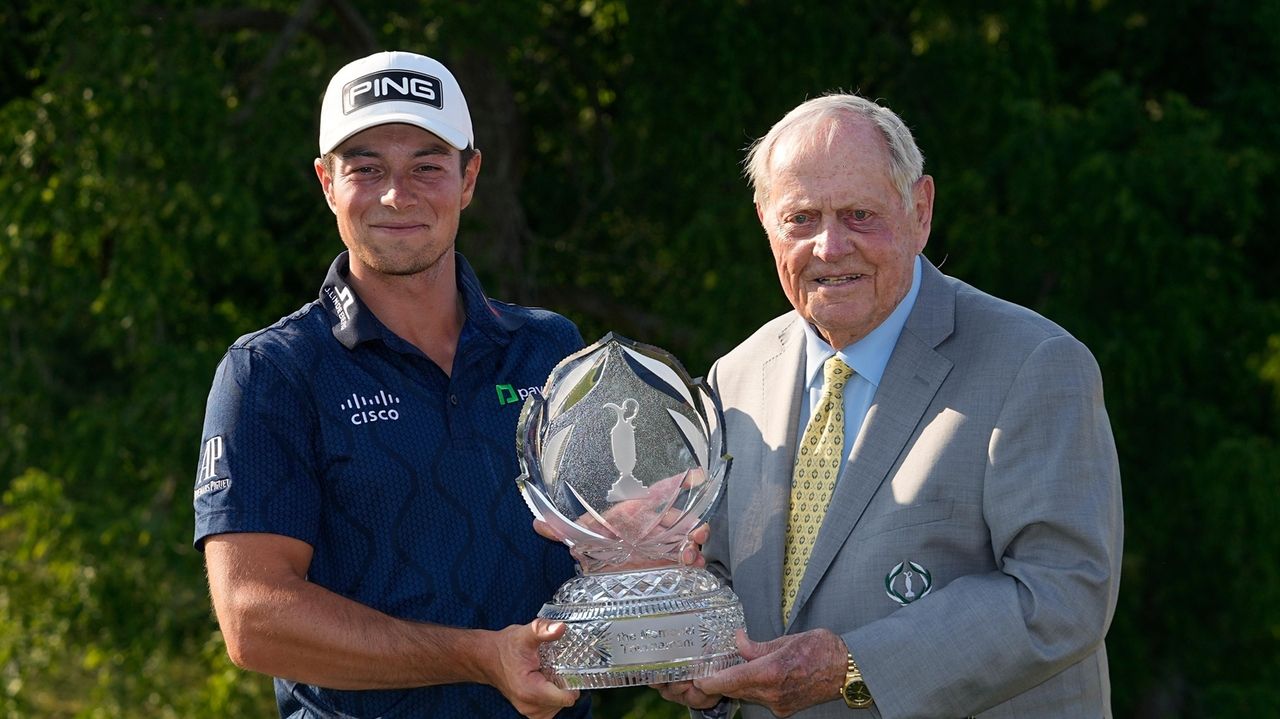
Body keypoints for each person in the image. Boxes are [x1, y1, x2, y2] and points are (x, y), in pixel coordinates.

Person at [659, 94, 1123, 718]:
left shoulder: (1034, 363)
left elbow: (1063, 593)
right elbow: (718, 574)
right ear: (765, 221)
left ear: (920, 210)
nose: (829, 246)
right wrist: (690, 653)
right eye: (801, 218)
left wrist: (852, 666)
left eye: (858, 214)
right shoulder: (734, 377)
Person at [192, 51, 589, 719]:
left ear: (469, 177)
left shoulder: (548, 348)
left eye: (427, 166)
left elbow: (603, 543)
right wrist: (477, 655)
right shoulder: (272, 371)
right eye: (366, 168)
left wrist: (653, 563)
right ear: (326, 182)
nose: (396, 196)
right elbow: (253, 618)